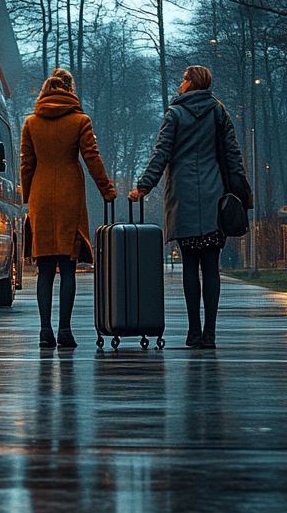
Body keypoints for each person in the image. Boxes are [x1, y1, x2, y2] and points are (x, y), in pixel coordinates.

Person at [129, 65, 251, 350]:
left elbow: (162, 152)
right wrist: (242, 193)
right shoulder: (218, 112)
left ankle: (193, 331)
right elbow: (232, 154)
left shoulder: (175, 114)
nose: (180, 83)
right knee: (211, 267)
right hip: (214, 197)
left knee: (189, 266)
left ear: (191, 83)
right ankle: (210, 333)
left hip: (183, 198)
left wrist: (144, 186)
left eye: (184, 79)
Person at [21, 68, 117, 350]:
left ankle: (44, 330)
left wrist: (28, 196)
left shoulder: (31, 123)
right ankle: (65, 329)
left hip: (41, 197)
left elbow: (27, 163)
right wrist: (107, 190)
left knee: (45, 269)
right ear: (70, 90)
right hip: (69, 197)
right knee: (68, 266)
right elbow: (92, 158)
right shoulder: (80, 121)